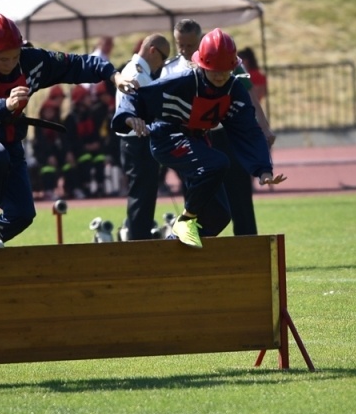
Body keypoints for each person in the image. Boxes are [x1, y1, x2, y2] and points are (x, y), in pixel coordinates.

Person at [113, 28, 283, 248]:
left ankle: (178, 246)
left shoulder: (235, 90)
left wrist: (263, 169)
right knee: (218, 163)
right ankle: (184, 221)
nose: (220, 76)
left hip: (197, 141)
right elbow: (137, 96)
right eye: (214, 71)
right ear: (202, 65)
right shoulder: (181, 81)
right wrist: (128, 117)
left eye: (225, 70)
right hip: (167, 139)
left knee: (221, 215)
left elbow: (248, 130)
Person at [0, 12, 116, 248]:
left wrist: (112, 74)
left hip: (11, 140)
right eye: (3, 59)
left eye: (15, 57)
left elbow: (75, 64)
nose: (11, 64)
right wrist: (7, 104)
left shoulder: (32, 60)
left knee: (23, 215)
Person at [162, 18, 273, 236]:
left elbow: (248, 93)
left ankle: (247, 246)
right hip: (194, 140)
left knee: (240, 195)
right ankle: (194, 248)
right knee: (196, 198)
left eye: (190, 45)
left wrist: (264, 127)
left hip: (225, 136)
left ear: (201, 41)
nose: (184, 50)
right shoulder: (171, 70)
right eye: (180, 45)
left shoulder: (226, 61)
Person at [114, 34, 170, 240]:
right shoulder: (138, 75)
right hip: (137, 141)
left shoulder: (136, 71)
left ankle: (138, 237)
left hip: (135, 141)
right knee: (142, 199)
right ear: (153, 50)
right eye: (163, 57)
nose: (163, 64)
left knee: (143, 197)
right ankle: (139, 243)